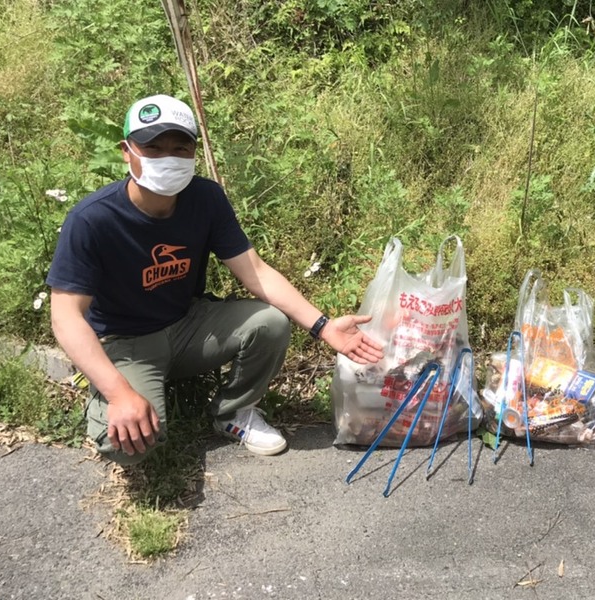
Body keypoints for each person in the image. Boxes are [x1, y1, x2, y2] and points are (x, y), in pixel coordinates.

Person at [46, 94, 384, 466]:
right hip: (127, 341)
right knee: (127, 447)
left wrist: (324, 326)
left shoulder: (205, 198)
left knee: (269, 323)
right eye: (153, 147)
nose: (168, 157)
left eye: (180, 148)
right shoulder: (92, 219)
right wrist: (118, 392)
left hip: (187, 325)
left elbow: (255, 271)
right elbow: (65, 317)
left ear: (195, 151)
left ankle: (233, 412)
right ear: (127, 152)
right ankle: (117, 387)